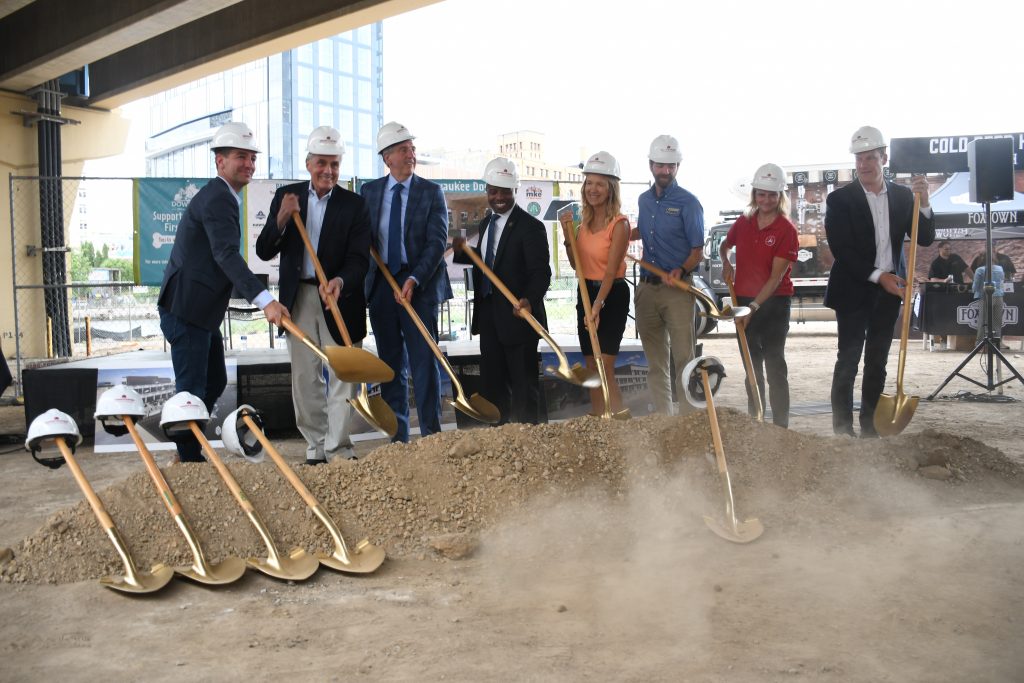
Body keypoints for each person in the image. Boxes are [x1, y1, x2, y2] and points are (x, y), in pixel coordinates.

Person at [157, 122, 288, 462]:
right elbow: (226, 255)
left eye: (252, 158)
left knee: (213, 383)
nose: (249, 164)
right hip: (186, 310)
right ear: (220, 162)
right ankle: (189, 461)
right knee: (191, 391)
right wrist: (266, 301)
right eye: (240, 157)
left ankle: (189, 451)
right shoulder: (218, 198)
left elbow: (221, 258)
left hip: (200, 313)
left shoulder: (222, 198)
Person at [256, 126, 371, 465]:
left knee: (341, 377)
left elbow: (359, 259)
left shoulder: (355, 205)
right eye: (322, 163)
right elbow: (264, 250)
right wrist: (281, 217)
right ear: (308, 164)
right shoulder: (287, 197)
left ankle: (339, 448)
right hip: (299, 300)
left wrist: (339, 281)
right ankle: (316, 445)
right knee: (305, 376)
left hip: (339, 300)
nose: (329, 171)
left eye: (335, 164)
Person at [824, 125, 935, 438]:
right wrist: (879, 276)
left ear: (883, 158)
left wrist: (924, 201)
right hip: (853, 290)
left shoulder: (902, 197)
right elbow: (842, 251)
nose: (863, 165)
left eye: (870, 157)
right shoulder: (840, 200)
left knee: (877, 361)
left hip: (888, 294)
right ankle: (842, 431)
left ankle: (871, 429)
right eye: (859, 158)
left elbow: (924, 237)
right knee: (848, 360)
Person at [360, 121, 451, 443]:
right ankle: (398, 437)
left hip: (419, 287)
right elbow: (361, 240)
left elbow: (437, 243)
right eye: (403, 149)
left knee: (424, 361)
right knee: (390, 364)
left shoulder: (431, 192)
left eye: (411, 148)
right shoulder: (369, 193)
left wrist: (414, 278)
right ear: (387, 158)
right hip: (382, 287)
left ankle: (430, 436)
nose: (411, 154)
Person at [452, 158, 550, 424]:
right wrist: (465, 253)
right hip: (490, 318)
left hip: (518, 318)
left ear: (515, 190)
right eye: (493, 191)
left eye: (505, 191)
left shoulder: (531, 227)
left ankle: (529, 439)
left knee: (523, 386)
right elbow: (490, 264)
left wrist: (529, 300)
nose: (499, 197)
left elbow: (541, 273)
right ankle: (502, 439)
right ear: (487, 190)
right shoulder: (487, 224)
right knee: (494, 385)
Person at [720, 163, 799, 428]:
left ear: (780, 196)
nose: (766, 200)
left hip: (774, 302)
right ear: (754, 194)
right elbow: (725, 245)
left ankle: (780, 427)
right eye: (761, 194)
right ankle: (757, 422)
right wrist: (726, 262)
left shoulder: (786, 230)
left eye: (772, 194)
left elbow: (775, 278)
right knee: (751, 365)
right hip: (743, 299)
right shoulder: (743, 221)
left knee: (775, 365)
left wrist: (752, 308)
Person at [631, 134, 705, 415]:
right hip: (647, 290)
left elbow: (697, 249)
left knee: (684, 360)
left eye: (671, 165)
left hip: (678, 290)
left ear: (678, 166)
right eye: (661, 165)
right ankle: (665, 420)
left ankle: (687, 422)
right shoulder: (644, 201)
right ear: (651, 164)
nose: (666, 171)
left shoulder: (689, 203)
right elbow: (643, 233)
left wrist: (682, 269)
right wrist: (619, 234)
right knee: (655, 363)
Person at [559, 151, 630, 415]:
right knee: (591, 365)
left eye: (600, 184)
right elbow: (578, 265)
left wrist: (598, 306)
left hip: (610, 296)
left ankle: (618, 422)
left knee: (605, 365)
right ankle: (599, 419)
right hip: (585, 291)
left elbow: (611, 272)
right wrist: (568, 236)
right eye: (589, 183)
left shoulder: (619, 224)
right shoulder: (583, 223)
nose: (593, 189)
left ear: (611, 188)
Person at [972, 261, 1005, 345]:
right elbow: (1002, 282)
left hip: (985, 296)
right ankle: (997, 344)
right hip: (999, 296)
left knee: (983, 321)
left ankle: (979, 343)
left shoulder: (980, 270)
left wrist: (973, 290)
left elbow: (975, 286)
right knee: (997, 322)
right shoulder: (1000, 268)